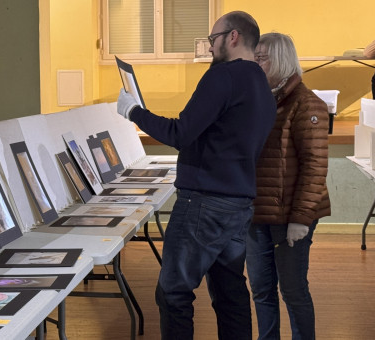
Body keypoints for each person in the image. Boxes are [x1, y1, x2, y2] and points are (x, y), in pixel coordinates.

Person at [116, 11, 277, 340]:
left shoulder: (224, 77)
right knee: (230, 292)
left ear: (233, 37)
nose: (210, 48)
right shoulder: (260, 81)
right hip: (238, 202)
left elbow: (180, 133)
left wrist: (133, 111)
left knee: (174, 292)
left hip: (204, 201)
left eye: (213, 40)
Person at [247, 32, 331, 340]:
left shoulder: (307, 105)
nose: (255, 63)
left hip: (290, 217)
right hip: (257, 213)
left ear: (280, 60)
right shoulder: (261, 100)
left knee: (293, 291)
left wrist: (301, 218)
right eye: (254, 57)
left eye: (261, 58)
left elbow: (315, 167)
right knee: (261, 288)